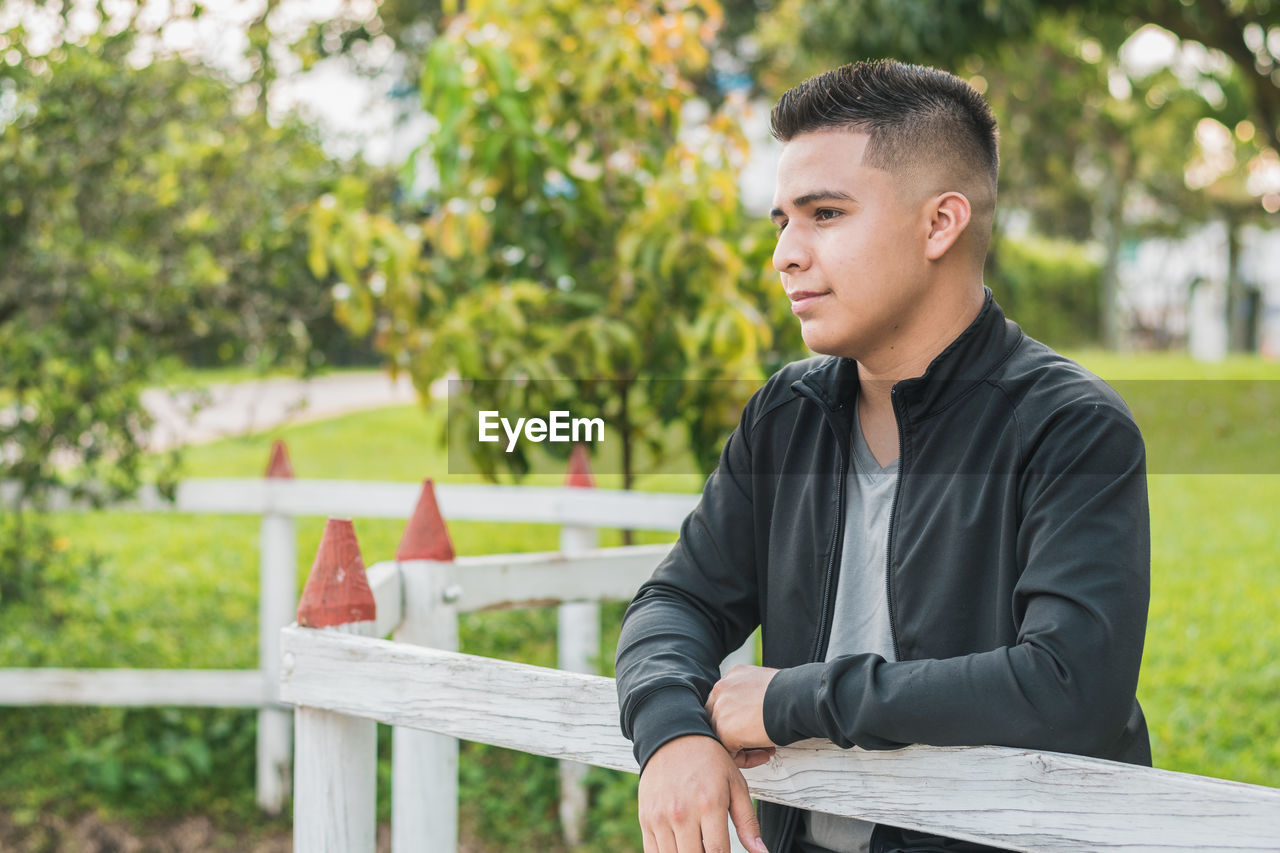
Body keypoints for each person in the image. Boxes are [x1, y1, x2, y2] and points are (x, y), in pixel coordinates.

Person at [614, 59, 1151, 853]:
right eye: (781, 221)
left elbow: (1069, 689)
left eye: (824, 213)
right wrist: (671, 731)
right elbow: (676, 603)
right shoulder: (784, 415)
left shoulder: (1071, 427)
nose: (786, 255)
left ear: (940, 224)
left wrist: (794, 699)